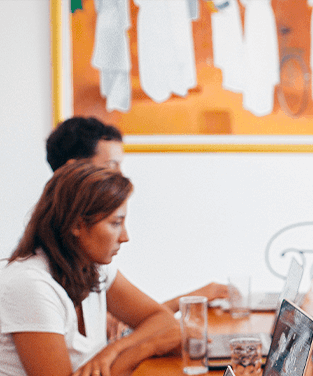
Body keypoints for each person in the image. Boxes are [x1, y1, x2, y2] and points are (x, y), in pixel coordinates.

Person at [0, 161, 180, 376]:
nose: (125, 236)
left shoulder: (95, 268)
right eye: (115, 223)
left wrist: (113, 351)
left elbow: (164, 321)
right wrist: (142, 348)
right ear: (76, 225)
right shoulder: (30, 284)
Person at [45, 117, 228, 315]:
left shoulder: (96, 262)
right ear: (72, 169)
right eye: (111, 165)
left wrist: (197, 297)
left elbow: (142, 322)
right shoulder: (45, 272)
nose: (121, 176)